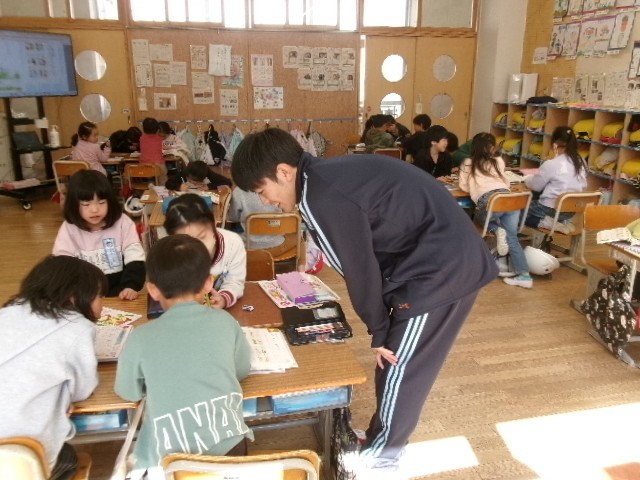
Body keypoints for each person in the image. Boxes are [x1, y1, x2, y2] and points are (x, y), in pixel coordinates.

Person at [231, 128, 497, 476]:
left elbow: (359, 270)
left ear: (283, 172)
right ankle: (377, 442)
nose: (265, 201)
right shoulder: (321, 179)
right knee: (394, 364)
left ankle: (382, 461)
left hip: (440, 272)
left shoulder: (320, 194)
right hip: (434, 261)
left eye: (261, 190)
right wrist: (382, 324)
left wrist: (379, 330)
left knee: (400, 367)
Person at [115, 234, 252, 470]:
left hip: (170, 460)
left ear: (153, 290)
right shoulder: (225, 321)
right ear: (208, 283)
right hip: (230, 448)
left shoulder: (141, 337)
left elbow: (128, 392)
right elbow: (241, 369)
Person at [0, 255, 107, 480]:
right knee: (68, 456)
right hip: (27, 461)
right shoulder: (78, 328)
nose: (102, 304)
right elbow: (83, 390)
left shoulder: (6, 313)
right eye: (100, 296)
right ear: (74, 296)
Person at [53, 170, 146, 300]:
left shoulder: (122, 222)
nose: (95, 209)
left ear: (110, 201)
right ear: (74, 205)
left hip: (120, 292)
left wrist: (131, 286)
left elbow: (135, 257)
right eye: (86, 204)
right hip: (84, 294)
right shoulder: (69, 228)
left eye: (101, 202)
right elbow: (63, 264)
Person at [458, 132, 532, 288]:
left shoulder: (468, 163)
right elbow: (506, 181)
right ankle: (524, 276)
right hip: (508, 199)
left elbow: (463, 186)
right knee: (512, 237)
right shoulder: (499, 160)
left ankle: (497, 231)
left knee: (477, 220)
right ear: (492, 147)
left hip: (490, 200)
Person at [164, 193, 246, 309]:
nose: (197, 246)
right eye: (186, 241)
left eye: (202, 236)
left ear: (213, 224)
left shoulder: (233, 243)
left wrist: (224, 298)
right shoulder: (171, 252)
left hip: (222, 310)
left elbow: (235, 281)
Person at [524, 126, 587, 233]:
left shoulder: (552, 163)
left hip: (551, 209)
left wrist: (526, 178)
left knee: (517, 211)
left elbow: (535, 186)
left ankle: (545, 222)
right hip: (570, 211)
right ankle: (563, 222)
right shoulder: (581, 162)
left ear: (554, 144)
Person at [227, 187, 298, 253]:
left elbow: (233, 218)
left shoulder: (238, 191)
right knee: (298, 238)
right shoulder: (278, 187)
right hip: (278, 244)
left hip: (250, 246)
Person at [165, 160, 232, 192]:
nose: (193, 183)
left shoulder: (207, 172)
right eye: (190, 180)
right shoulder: (185, 172)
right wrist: (179, 187)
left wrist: (209, 186)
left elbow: (228, 182)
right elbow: (168, 183)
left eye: (196, 183)